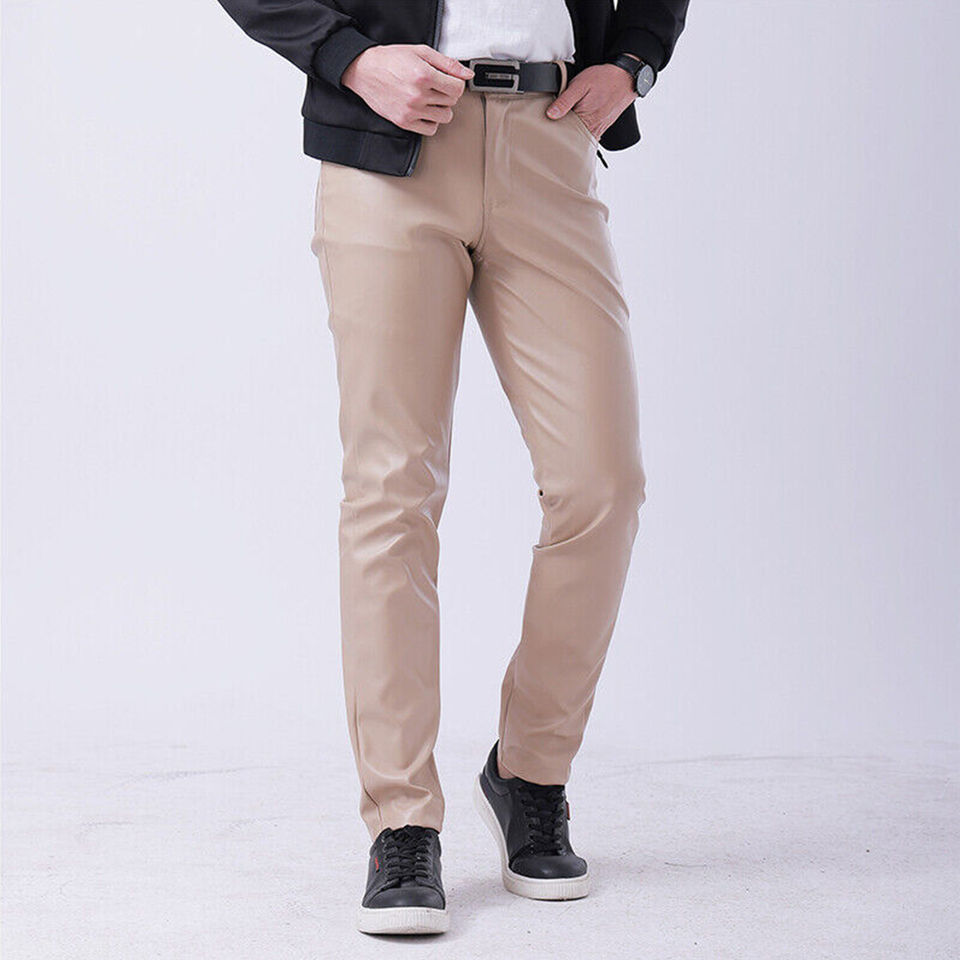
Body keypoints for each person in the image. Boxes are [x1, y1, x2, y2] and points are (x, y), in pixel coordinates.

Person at [215, 0, 689, 936]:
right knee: (392, 490)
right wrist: (351, 59)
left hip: (550, 137)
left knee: (603, 483)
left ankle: (530, 774)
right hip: (391, 148)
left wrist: (635, 59)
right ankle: (402, 820)